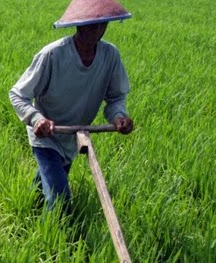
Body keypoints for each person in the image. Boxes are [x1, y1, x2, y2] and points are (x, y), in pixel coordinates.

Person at [9, 0, 134, 213]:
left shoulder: (110, 56)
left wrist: (119, 116)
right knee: (60, 198)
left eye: (101, 24)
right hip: (46, 135)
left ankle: (27, 208)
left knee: (49, 183)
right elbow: (18, 94)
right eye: (89, 25)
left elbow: (115, 98)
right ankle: (53, 243)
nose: (95, 31)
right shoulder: (53, 55)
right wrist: (36, 119)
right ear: (77, 24)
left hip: (73, 135)